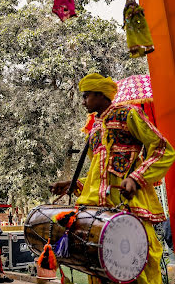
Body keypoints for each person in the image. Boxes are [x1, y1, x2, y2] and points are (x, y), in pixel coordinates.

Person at [50, 73, 175, 284]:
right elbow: (99, 172)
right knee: (100, 267)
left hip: (129, 204)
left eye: (86, 96)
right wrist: (75, 184)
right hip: (97, 208)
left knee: (135, 263)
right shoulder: (95, 128)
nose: (82, 102)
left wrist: (135, 179)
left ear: (100, 95)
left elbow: (163, 149)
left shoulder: (128, 114)